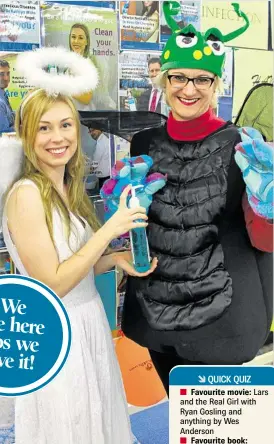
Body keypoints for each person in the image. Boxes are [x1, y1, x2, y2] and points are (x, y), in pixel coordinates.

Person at [121, 1, 273, 395]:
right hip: (157, 316)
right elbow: (135, 225)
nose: (189, 90)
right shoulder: (143, 143)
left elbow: (265, 240)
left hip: (224, 319)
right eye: (179, 78)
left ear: (216, 85)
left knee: (218, 429)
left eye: (202, 79)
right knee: (182, 421)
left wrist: (268, 202)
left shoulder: (243, 146)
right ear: (164, 82)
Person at [1, 87, 157, 443]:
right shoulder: (26, 194)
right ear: (26, 134)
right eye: (44, 128)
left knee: (95, 422)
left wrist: (116, 259)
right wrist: (111, 230)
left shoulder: (64, 189)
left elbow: (76, 265)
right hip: (59, 335)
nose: (58, 137)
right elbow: (52, 284)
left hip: (89, 326)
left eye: (66, 125)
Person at [69, 23, 116, 111]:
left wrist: (62, 87)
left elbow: (86, 98)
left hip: (84, 115)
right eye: (73, 37)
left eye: (81, 38)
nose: (76, 41)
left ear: (86, 41)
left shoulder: (87, 63)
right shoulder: (73, 61)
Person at [0, 59, 14, 134]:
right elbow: (4, 134)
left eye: (8, 73)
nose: (6, 78)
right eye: (1, 74)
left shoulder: (3, 95)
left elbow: (9, 115)